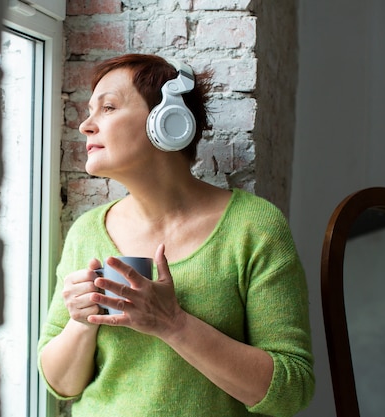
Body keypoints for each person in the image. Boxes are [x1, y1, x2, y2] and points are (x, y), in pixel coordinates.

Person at [37, 54, 314, 417]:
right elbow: (61, 385)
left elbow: (291, 390)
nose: (86, 126)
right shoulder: (87, 231)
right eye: (90, 111)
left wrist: (173, 323)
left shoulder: (255, 226)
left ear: (166, 122)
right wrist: (80, 321)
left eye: (107, 107)